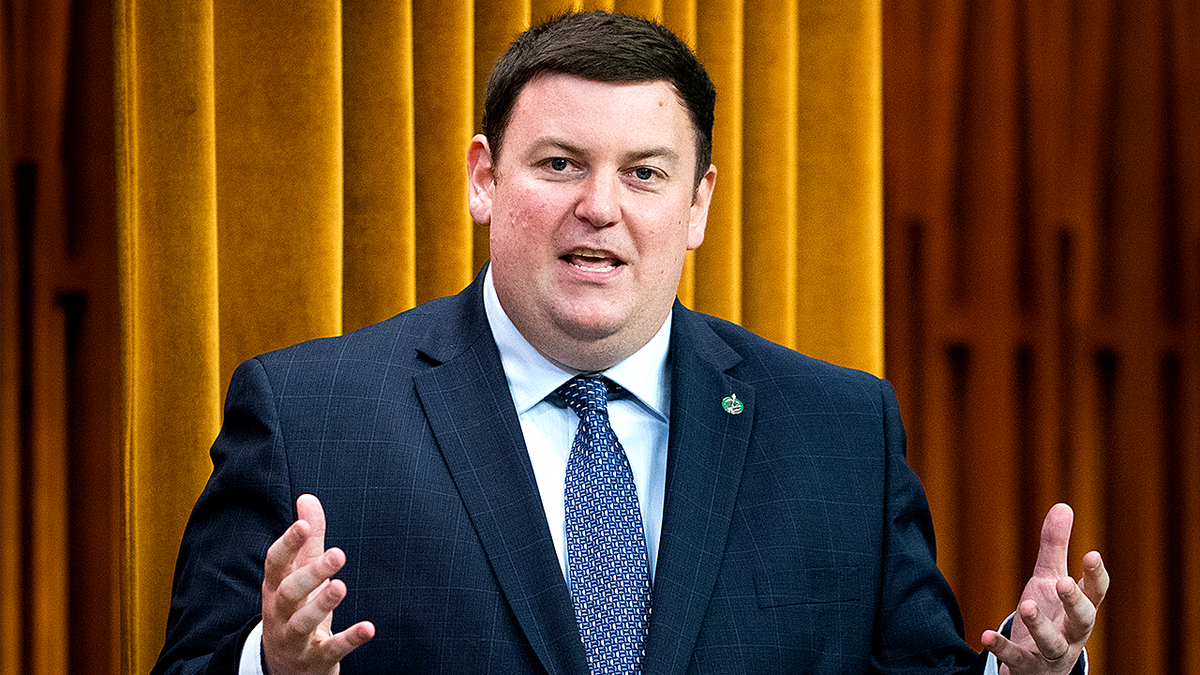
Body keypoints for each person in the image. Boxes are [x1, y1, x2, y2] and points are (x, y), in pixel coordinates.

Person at [151, 10, 1108, 675]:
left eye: (645, 173)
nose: (598, 208)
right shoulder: (310, 413)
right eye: (559, 163)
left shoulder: (841, 432)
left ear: (698, 204)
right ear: (484, 178)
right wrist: (272, 664)